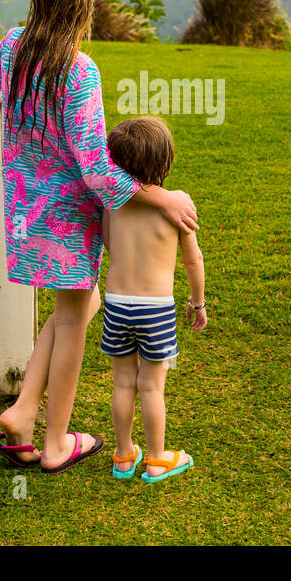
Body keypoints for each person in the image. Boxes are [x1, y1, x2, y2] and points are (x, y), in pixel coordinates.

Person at [0, 0, 198, 473]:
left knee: (74, 309)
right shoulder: (79, 70)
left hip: (24, 212)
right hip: (69, 216)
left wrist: (9, 111)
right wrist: (161, 195)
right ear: (83, 1)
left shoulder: (11, 48)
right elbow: (96, 170)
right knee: (73, 321)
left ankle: (23, 412)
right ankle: (54, 443)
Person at [100, 116, 207, 483]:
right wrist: (197, 302)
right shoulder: (175, 209)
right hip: (156, 310)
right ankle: (159, 458)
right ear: (164, 162)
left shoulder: (112, 204)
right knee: (151, 386)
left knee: (122, 383)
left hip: (116, 303)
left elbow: (110, 244)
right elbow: (193, 260)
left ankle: (124, 455)